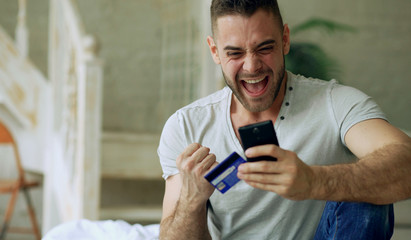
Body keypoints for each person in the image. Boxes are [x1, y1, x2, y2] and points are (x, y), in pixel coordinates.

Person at [157, 0, 411, 239]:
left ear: (285, 40)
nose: (252, 66)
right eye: (234, 53)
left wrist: (314, 182)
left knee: (367, 194)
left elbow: (405, 160)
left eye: (264, 48)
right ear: (214, 51)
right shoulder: (186, 126)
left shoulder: (335, 104)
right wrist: (191, 202)